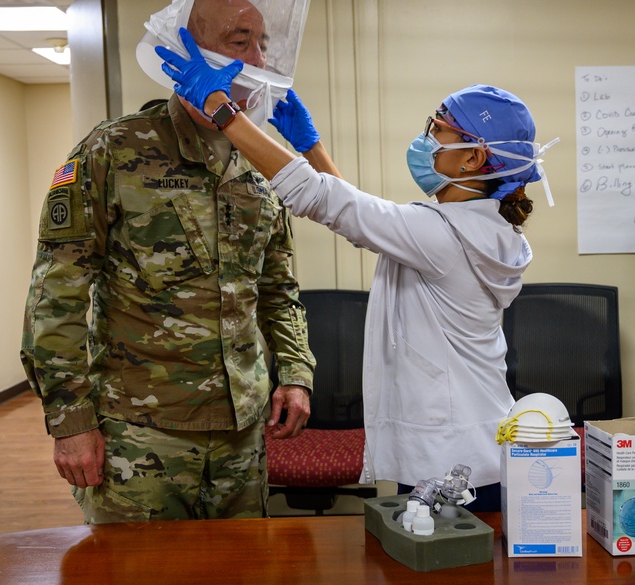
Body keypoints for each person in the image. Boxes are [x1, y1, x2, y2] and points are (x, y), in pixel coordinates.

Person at [155, 27, 557, 512]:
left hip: (449, 461)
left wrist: (225, 112)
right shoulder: (482, 231)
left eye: (439, 130)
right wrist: (311, 147)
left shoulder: (445, 236)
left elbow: (324, 201)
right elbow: (362, 215)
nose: (426, 138)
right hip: (472, 442)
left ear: (473, 158)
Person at [20, 0, 315, 523]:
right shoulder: (113, 150)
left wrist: (294, 371)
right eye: (239, 41)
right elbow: (57, 294)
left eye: (264, 44)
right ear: (190, 51)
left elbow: (278, 287)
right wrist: (70, 420)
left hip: (242, 431)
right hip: (141, 432)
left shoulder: (262, 161)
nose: (260, 60)